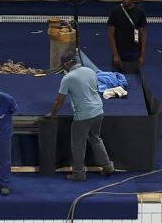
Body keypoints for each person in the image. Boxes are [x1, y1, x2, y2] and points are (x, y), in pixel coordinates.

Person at [47, 51, 114, 181]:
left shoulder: (68, 78)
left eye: (63, 66)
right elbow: (95, 89)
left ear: (67, 64)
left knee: (78, 144)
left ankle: (78, 174)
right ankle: (107, 166)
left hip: (83, 116)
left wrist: (53, 114)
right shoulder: (90, 71)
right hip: (98, 111)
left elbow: (59, 100)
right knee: (95, 138)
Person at [107, 0, 148, 74]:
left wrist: (142, 55)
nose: (125, 0)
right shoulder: (115, 12)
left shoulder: (140, 12)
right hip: (119, 53)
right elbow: (111, 34)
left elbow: (143, 34)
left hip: (134, 54)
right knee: (117, 83)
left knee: (133, 82)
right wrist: (115, 54)